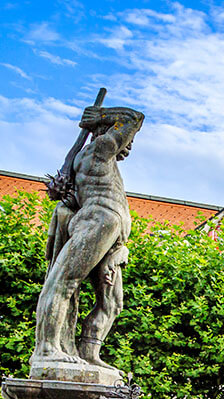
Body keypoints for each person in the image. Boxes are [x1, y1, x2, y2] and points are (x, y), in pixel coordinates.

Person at [31, 104, 144, 373]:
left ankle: (88, 353)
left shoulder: (104, 163)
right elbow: (135, 118)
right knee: (63, 282)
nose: (128, 145)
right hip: (99, 222)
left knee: (113, 303)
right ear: (107, 131)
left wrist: (120, 249)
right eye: (126, 139)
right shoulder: (99, 149)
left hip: (111, 234)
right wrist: (100, 117)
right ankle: (46, 349)